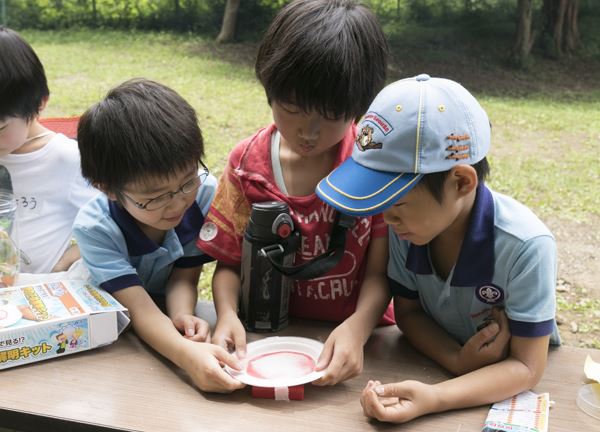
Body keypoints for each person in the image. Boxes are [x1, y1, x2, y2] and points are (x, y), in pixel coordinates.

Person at [316, 74, 561, 423]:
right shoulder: (409, 231)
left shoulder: (526, 247)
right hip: (440, 367)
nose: (387, 219)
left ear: (461, 182)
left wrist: (434, 397)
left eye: (397, 203)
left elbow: (525, 366)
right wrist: (456, 360)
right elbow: (409, 314)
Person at [197, 0, 392, 386]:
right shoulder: (246, 166)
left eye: (331, 115)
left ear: (358, 106)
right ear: (270, 90)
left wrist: (359, 327)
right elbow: (231, 264)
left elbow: (380, 273)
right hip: (267, 340)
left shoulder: (375, 168)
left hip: (363, 342)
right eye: (292, 108)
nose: (309, 132)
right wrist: (227, 316)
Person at [72, 79, 244, 393]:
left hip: (155, 317)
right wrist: (188, 357)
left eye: (187, 181)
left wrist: (181, 315)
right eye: (155, 197)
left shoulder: (203, 195)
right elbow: (139, 310)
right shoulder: (96, 229)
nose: (178, 202)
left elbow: (184, 276)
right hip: (105, 328)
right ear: (107, 188)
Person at [0, 26, 97, 274]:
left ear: (40, 103)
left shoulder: (66, 160)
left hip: (35, 295)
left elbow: (115, 224)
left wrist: (67, 260)